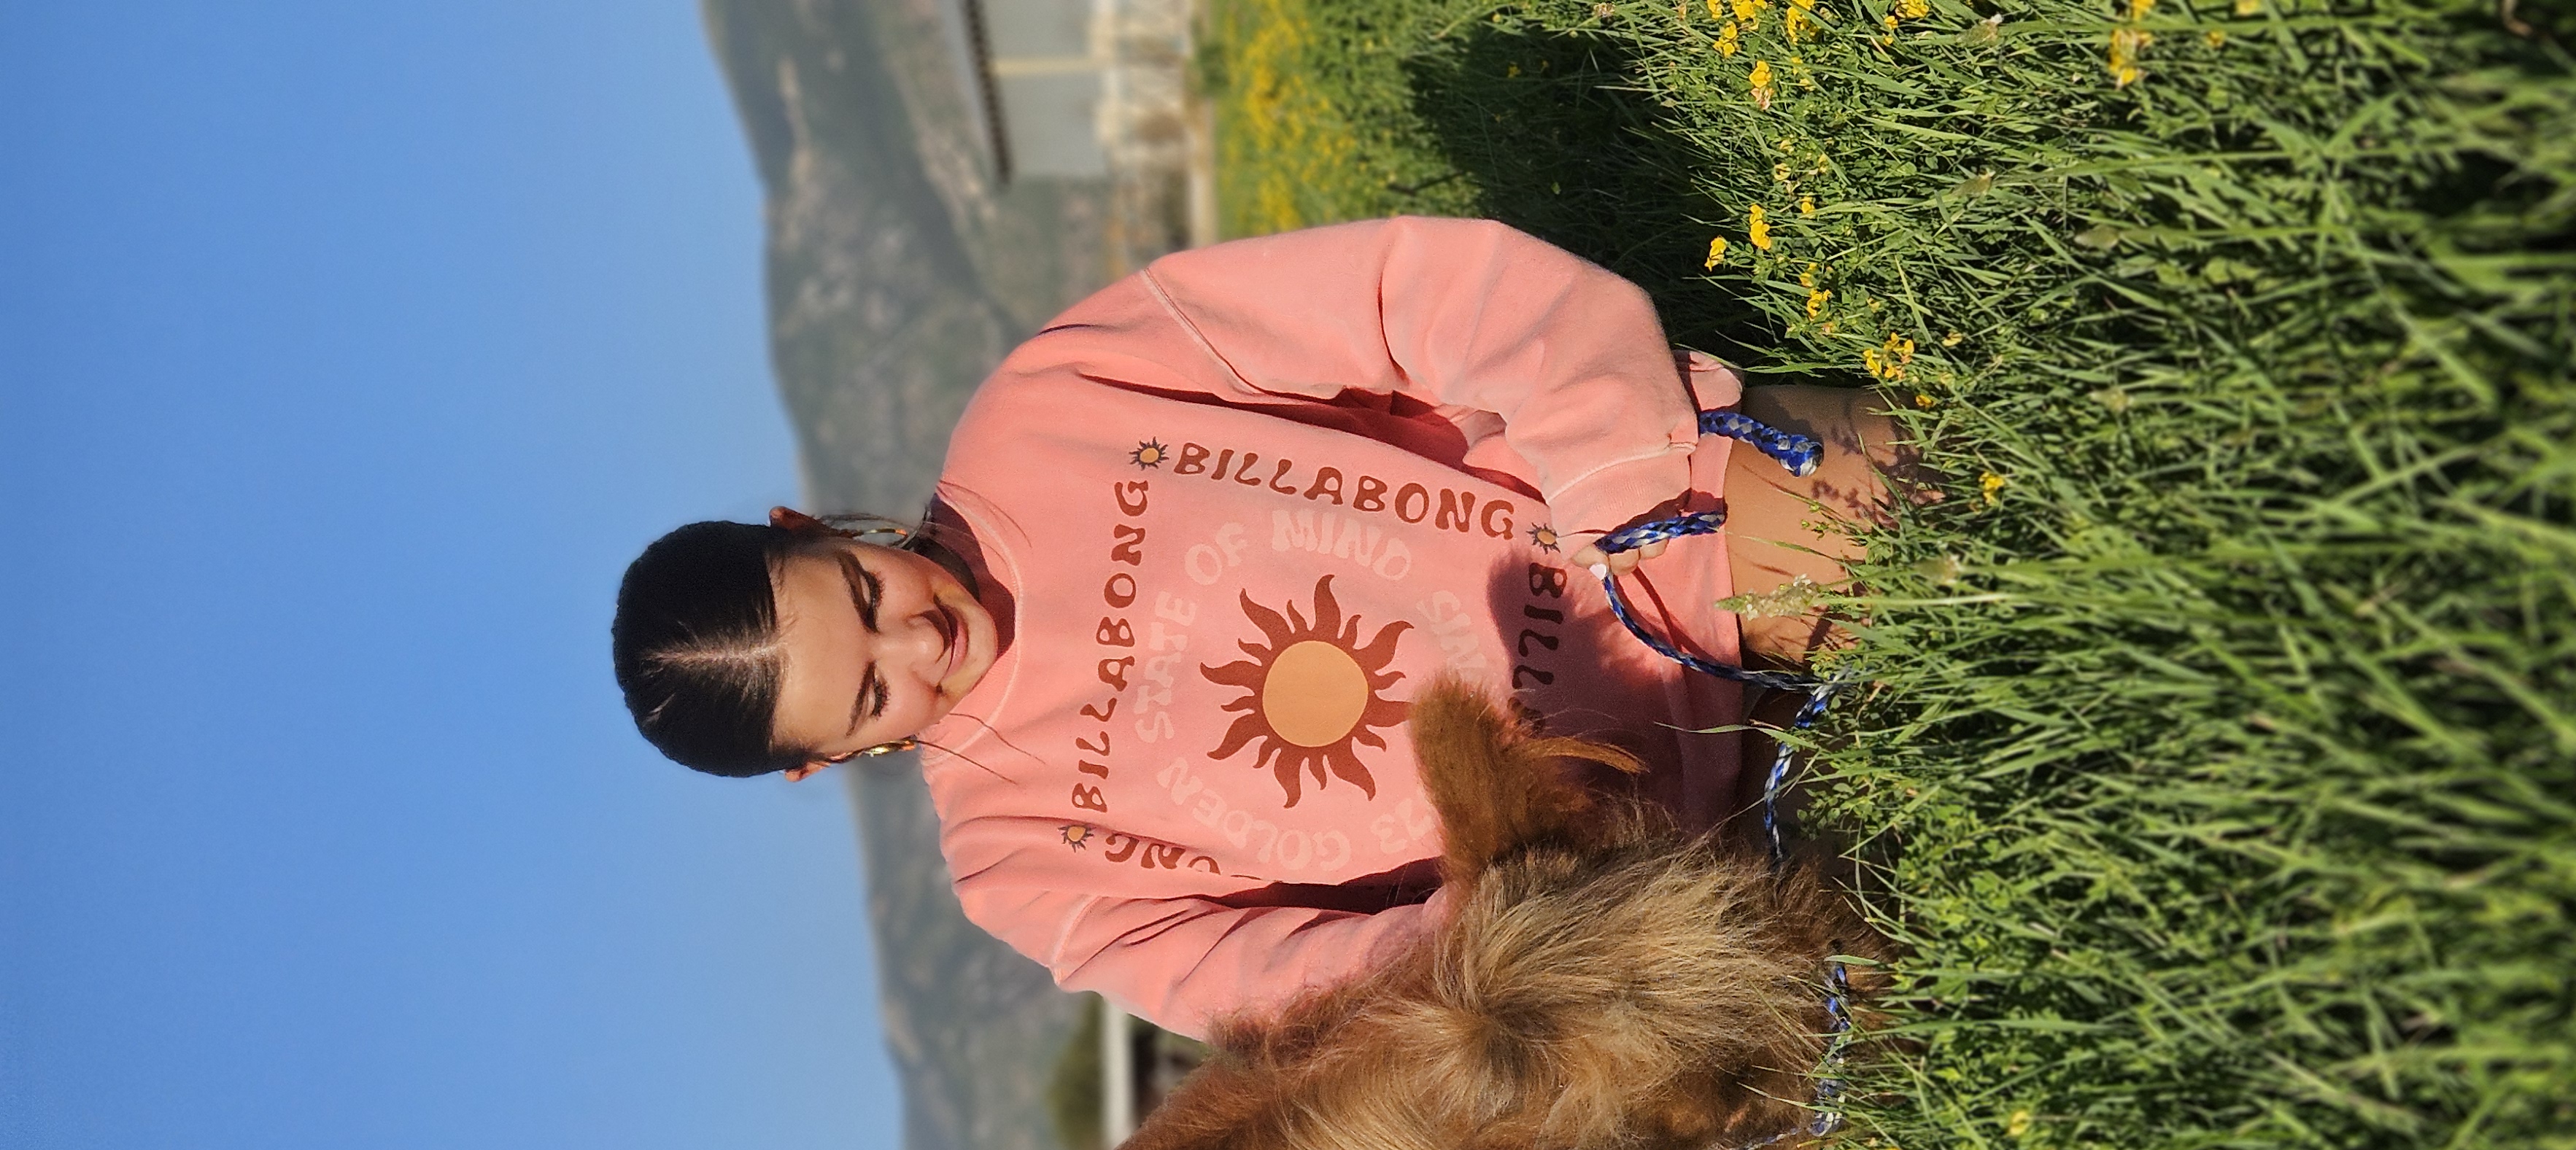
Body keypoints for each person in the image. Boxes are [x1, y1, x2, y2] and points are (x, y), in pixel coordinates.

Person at [613, 217, 1897, 1038]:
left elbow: (1415, 293)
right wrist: (1548, 917)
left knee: (1996, 551)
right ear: (829, 761)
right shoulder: (1023, 870)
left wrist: (1624, 487)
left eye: (863, 595)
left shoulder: (1051, 397)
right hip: (1669, 884)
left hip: (1689, 540)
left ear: (811, 522)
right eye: (871, 697)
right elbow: (1301, 990)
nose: (918, 646)